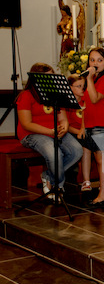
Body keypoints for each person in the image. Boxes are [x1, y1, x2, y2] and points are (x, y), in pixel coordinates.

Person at [16, 63, 83, 200]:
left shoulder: (56, 94)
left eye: (52, 77)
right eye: (47, 78)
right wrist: (49, 131)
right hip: (32, 134)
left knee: (77, 150)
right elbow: (26, 124)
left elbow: (63, 119)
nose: (51, 81)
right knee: (55, 153)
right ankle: (57, 186)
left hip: (54, 131)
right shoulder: (26, 95)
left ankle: (49, 177)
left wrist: (64, 127)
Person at [81, 48, 104, 206]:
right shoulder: (93, 79)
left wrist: (89, 79)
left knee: (103, 160)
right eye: (92, 60)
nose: (95, 63)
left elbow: (95, 98)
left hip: (102, 124)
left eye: (99, 60)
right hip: (90, 123)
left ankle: (103, 193)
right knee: (98, 160)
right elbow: (85, 104)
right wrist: (83, 126)